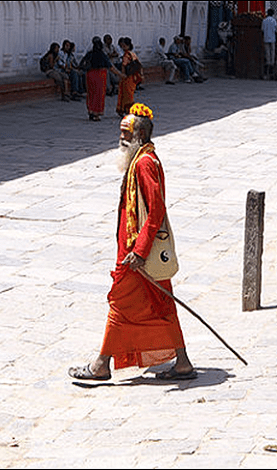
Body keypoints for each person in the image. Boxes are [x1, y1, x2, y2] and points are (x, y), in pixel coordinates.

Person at [68, 103, 196, 382]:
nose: (121, 139)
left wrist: (139, 251)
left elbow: (155, 211)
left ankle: (101, 365)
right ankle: (182, 361)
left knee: (119, 303)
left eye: (126, 134)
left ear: (140, 135)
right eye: (121, 133)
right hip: (134, 252)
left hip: (137, 255)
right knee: (160, 305)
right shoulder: (141, 158)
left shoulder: (145, 163)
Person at [82, 36, 125, 121]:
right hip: (100, 75)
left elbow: (82, 63)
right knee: (98, 94)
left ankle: (90, 110)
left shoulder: (90, 54)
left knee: (91, 93)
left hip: (90, 75)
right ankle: (96, 114)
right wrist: (120, 74)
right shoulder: (102, 55)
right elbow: (111, 67)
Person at [116, 37, 142, 117]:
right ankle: (126, 109)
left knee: (126, 94)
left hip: (127, 77)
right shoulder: (133, 54)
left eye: (124, 45)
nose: (122, 47)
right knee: (129, 93)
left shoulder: (126, 55)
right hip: (133, 77)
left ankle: (126, 109)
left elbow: (124, 66)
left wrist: (122, 76)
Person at [261, 8, 277, 80]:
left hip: (266, 38)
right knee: (272, 54)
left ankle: (267, 69)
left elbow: (262, 29)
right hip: (272, 39)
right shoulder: (274, 21)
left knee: (267, 54)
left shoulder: (264, 21)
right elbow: (275, 30)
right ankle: (271, 68)